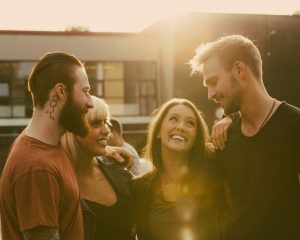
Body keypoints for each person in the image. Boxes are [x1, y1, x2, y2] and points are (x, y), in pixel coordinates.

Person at [189, 34, 300, 240]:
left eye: (213, 82)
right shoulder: (225, 136)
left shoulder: (295, 126)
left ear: (240, 70)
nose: (210, 94)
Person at [0, 52, 94, 239]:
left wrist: (109, 152)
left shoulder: (44, 145)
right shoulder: (37, 167)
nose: (90, 102)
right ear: (60, 91)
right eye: (85, 91)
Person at [133, 98, 224, 240]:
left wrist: (232, 118)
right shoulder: (140, 188)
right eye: (174, 119)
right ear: (158, 132)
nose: (181, 127)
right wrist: (107, 152)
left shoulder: (214, 175)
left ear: (195, 139)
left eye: (190, 123)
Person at [61, 96, 135, 240]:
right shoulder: (55, 185)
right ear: (72, 131)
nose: (106, 130)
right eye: (95, 123)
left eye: (105, 122)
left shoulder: (122, 176)